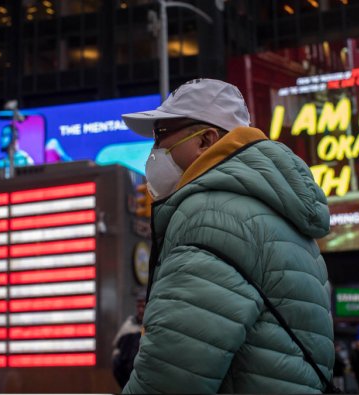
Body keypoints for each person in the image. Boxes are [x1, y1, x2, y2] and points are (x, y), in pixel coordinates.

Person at [120, 78, 333, 393]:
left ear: (206, 140)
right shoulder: (270, 210)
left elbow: (170, 376)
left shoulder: (211, 217)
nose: (156, 150)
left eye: (161, 135)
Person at [112, 291, 147, 389]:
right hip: (128, 375)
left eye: (143, 307)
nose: (140, 310)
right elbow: (116, 348)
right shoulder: (128, 325)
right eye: (138, 306)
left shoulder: (153, 324)